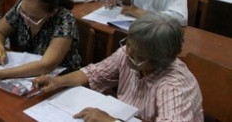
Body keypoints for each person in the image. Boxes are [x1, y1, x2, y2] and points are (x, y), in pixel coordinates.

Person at [32, 13, 203, 122]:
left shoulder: (174, 86)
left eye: (137, 55)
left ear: (158, 60)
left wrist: (109, 121)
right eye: (128, 45)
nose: (127, 53)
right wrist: (57, 81)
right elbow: (95, 73)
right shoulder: (130, 52)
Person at [0, 0, 80, 80]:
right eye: (23, 12)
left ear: (52, 13)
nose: (26, 20)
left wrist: (0, 74)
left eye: (33, 18)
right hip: (23, 72)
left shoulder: (64, 19)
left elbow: (47, 65)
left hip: (58, 79)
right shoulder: (22, 6)